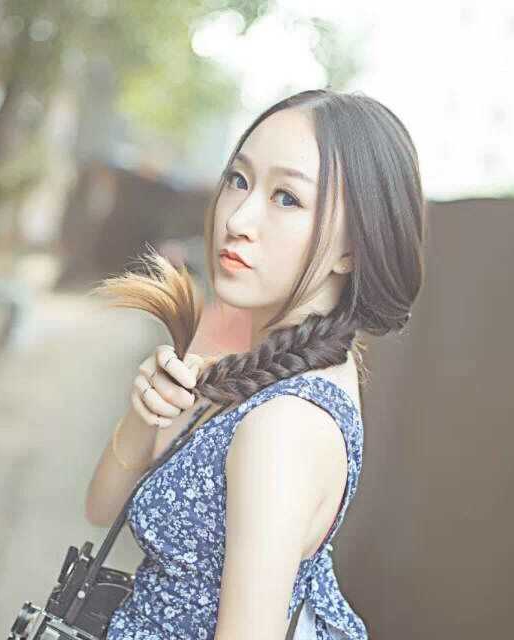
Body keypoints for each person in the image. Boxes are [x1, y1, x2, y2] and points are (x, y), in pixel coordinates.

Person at [86, 88, 427, 639]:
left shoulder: (285, 425)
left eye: (287, 198)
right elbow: (102, 507)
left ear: (353, 248)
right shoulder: (272, 371)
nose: (239, 218)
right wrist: (142, 416)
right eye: (239, 179)